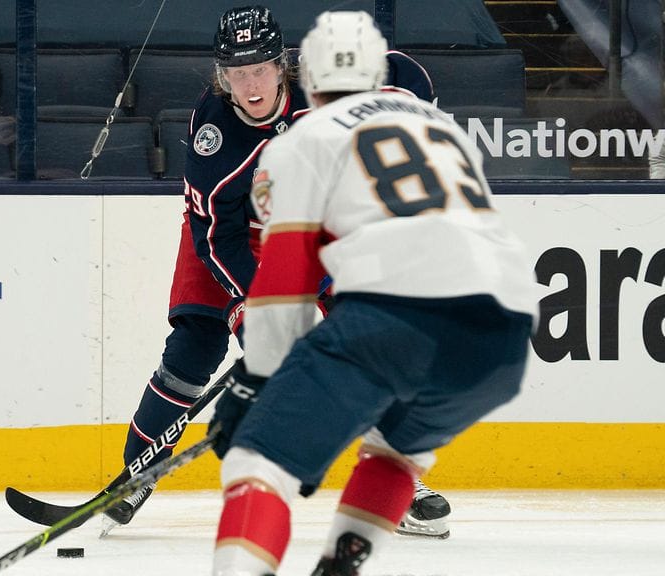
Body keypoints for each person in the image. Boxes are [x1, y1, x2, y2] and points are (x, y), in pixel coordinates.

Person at [208, 10, 537, 576]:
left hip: (396, 316)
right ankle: (339, 567)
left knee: (257, 463)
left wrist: (257, 377)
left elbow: (285, 280)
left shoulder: (304, 138)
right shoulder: (443, 128)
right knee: (394, 453)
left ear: (306, 80)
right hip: (505, 337)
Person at [106, 5, 449, 538]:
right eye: (236, 73)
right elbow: (214, 237)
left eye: (260, 69)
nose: (250, 84)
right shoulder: (214, 135)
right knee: (194, 347)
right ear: (222, 77)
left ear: (282, 64)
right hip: (229, 239)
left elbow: (405, 75)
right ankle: (134, 476)